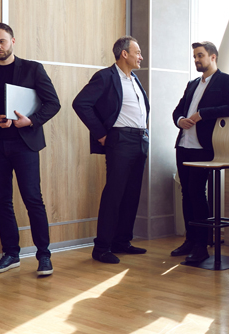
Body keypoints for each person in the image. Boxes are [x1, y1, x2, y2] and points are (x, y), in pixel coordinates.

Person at [0, 23, 61, 276]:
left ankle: (44, 255)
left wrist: (30, 120)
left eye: (2, 41)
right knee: (1, 201)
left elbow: (53, 103)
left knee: (33, 199)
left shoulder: (33, 69)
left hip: (25, 143)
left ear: (13, 41)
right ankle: (11, 254)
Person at [72, 36, 150, 264]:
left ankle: (121, 241)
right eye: (138, 52)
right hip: (120, 140)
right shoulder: (105, 76)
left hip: (139, 140)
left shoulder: (134, 79)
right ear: (124, 54)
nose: (141, 57)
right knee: (114, 194)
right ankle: (102, 247)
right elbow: (81, 103)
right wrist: (102, 134)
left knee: (131, 194)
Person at [169, 41, 229, 263]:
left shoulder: (226, 81)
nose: (196, 60)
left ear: (213, 57)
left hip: (205, 148)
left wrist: (202, 114)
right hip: (184, 146)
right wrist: (180, 120)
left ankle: (201, 245)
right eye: (195, 56)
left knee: (197, 194)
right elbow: (177, 110)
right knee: (187, 193)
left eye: (200, 56)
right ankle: (190, 240)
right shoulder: (192, 84)